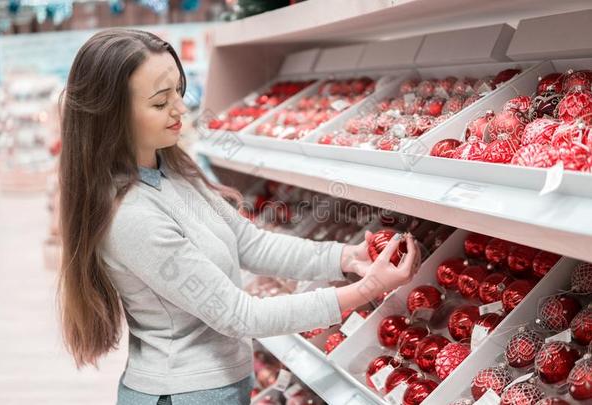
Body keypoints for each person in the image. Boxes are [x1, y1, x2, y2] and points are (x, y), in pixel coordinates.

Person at [57, 28, 421, 405]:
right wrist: (363, 291)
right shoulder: (132, 215)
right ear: (111, 114)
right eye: (160, 101)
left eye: (179, 92)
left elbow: (249, 242)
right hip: (184, 394)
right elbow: (238, 314)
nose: (181, 109)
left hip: (218, 384)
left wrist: (344, 258)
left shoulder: (170, 170)